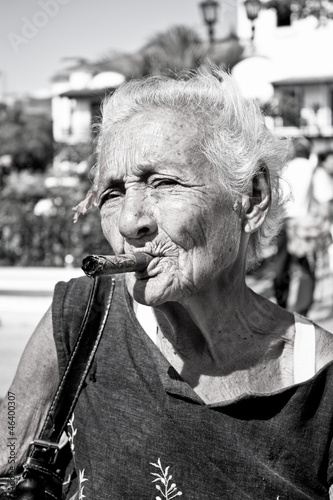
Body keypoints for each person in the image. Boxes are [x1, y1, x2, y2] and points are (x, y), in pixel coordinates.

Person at [1, 69, 333, 499]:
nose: (129, 221)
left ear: (251, 197)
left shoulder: (321, 379)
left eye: (163, 183)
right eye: (113, 192)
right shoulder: (82, 316)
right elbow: (8, 440)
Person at [273, 138, 330, 315]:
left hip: (283, 223)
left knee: (281, 264)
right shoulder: (313, 169)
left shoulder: (283, 170)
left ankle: (280, 302)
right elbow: (324, 200)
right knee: (305, 266)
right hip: (305, 225)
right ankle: (302, 308)